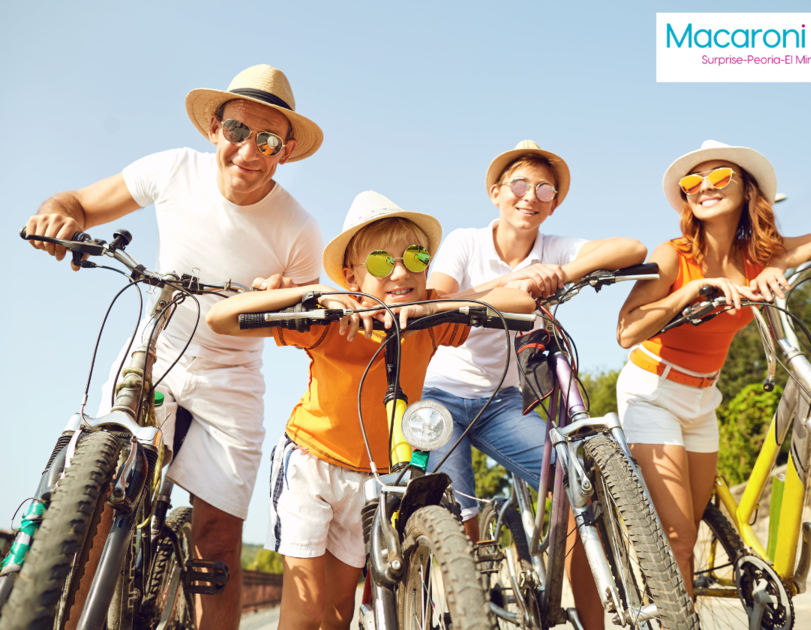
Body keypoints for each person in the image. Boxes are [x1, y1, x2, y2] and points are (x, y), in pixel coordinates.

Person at [24, 64, 325, 629]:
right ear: (215, 128)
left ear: (284, 151)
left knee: (217, 537)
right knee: (93, 501)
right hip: (153, 348)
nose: (248, 152)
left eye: (266, 140)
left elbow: (302, 331)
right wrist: (58, 214)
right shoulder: (171, 169)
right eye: (238, 131)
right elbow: (80, 202)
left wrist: (286, 302)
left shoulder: (300, 230)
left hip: (232, 375)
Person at [207, 190, 535, 630]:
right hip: (312, 465)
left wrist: (437, 306)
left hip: (371, 481)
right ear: (352, 275)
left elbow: (522, 303)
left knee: (339, 612)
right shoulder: (330, 321)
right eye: (382, 263)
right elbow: (222, 318)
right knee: (305, 610)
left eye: (416, 259)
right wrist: (318, 294)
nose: (401, 273)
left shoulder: (430, 318)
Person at [615, 139, 811, 594]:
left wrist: (779, 264)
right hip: (652, 391)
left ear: (747, 189)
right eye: (693, 181)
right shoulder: (674, 254)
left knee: (691, 533)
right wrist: (689, 293)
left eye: (719, 177)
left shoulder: (758, 255)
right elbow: (626, 330)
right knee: (676, 539)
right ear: (685, 197)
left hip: (703, 398)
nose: (705, 187)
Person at [422, 140, 647, 630]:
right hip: (442, 393)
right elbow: (437, 300)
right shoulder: (466, 241)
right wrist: (515, 287)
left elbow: (632, 249)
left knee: (575, 488)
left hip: (505, 402)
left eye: (545, 188)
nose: (531, 196)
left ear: (555, 202)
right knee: (457, 523)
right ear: (496, 192)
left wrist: (560, 274)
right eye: (520, 185)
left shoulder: (554, 248)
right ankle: (465, 612)